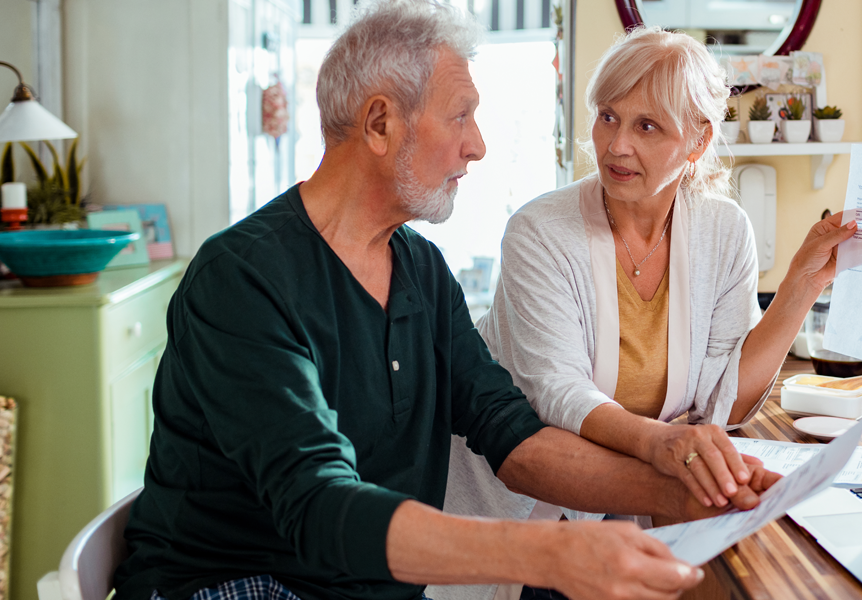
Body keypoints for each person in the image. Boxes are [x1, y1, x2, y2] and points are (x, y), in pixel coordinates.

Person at [111, 4, 782, 600]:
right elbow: (318, 506)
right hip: (240, 583)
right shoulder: (243, 279)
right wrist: (550, 553)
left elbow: (511, 435)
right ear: (380, 123)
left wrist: (689, 490)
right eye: (460, 115)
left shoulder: (420, 271)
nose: (478, 145)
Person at [439, 26, 862, 600]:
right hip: (525, 514)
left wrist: (801, 284)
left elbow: (726, 398)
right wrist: (660, 445)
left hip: (628, 509)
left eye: (647, 126)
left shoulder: (723, 231)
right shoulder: (539, 231)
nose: (616, 145)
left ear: (697, 141)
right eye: (609, 116)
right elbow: (558, 394)